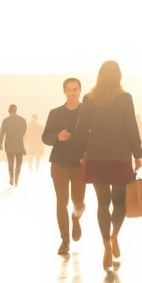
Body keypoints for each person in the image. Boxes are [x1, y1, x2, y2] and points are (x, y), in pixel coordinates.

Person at [74, 60, 142, 272]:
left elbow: (81, 129)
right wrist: (137, 154)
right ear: (118, 76)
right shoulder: (125, 98)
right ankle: (114, 237)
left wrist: (81, 155)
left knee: (102, 203)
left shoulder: (88, 99)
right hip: (120, 155)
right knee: (119, 202)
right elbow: (132, 127)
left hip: (96, 155)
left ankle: (105, 244)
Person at [43, 77, 87, 254]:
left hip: (80, 164)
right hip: (59, 163)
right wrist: (57, 137)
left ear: (80, 90)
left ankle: (76, 218)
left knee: (79, 202)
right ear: (64, 91)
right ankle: (65, 240)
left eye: (75, 89)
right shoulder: (55, 113)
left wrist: (88, 155)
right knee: (61, 202)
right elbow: (45, 137)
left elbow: (93, 136)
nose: (72, 92)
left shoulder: (87, 112)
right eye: (68, 89)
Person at [0, 104, 27, 186]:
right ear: (16, 110)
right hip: (19, 144)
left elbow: (2, 132)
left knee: (10, 162)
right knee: (19, 162)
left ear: (9, 111)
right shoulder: (22, 120)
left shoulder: (5, 120)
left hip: (9, 145)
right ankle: (16, 177)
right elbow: (24, 132)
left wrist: (0, 143)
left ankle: (11, 177)